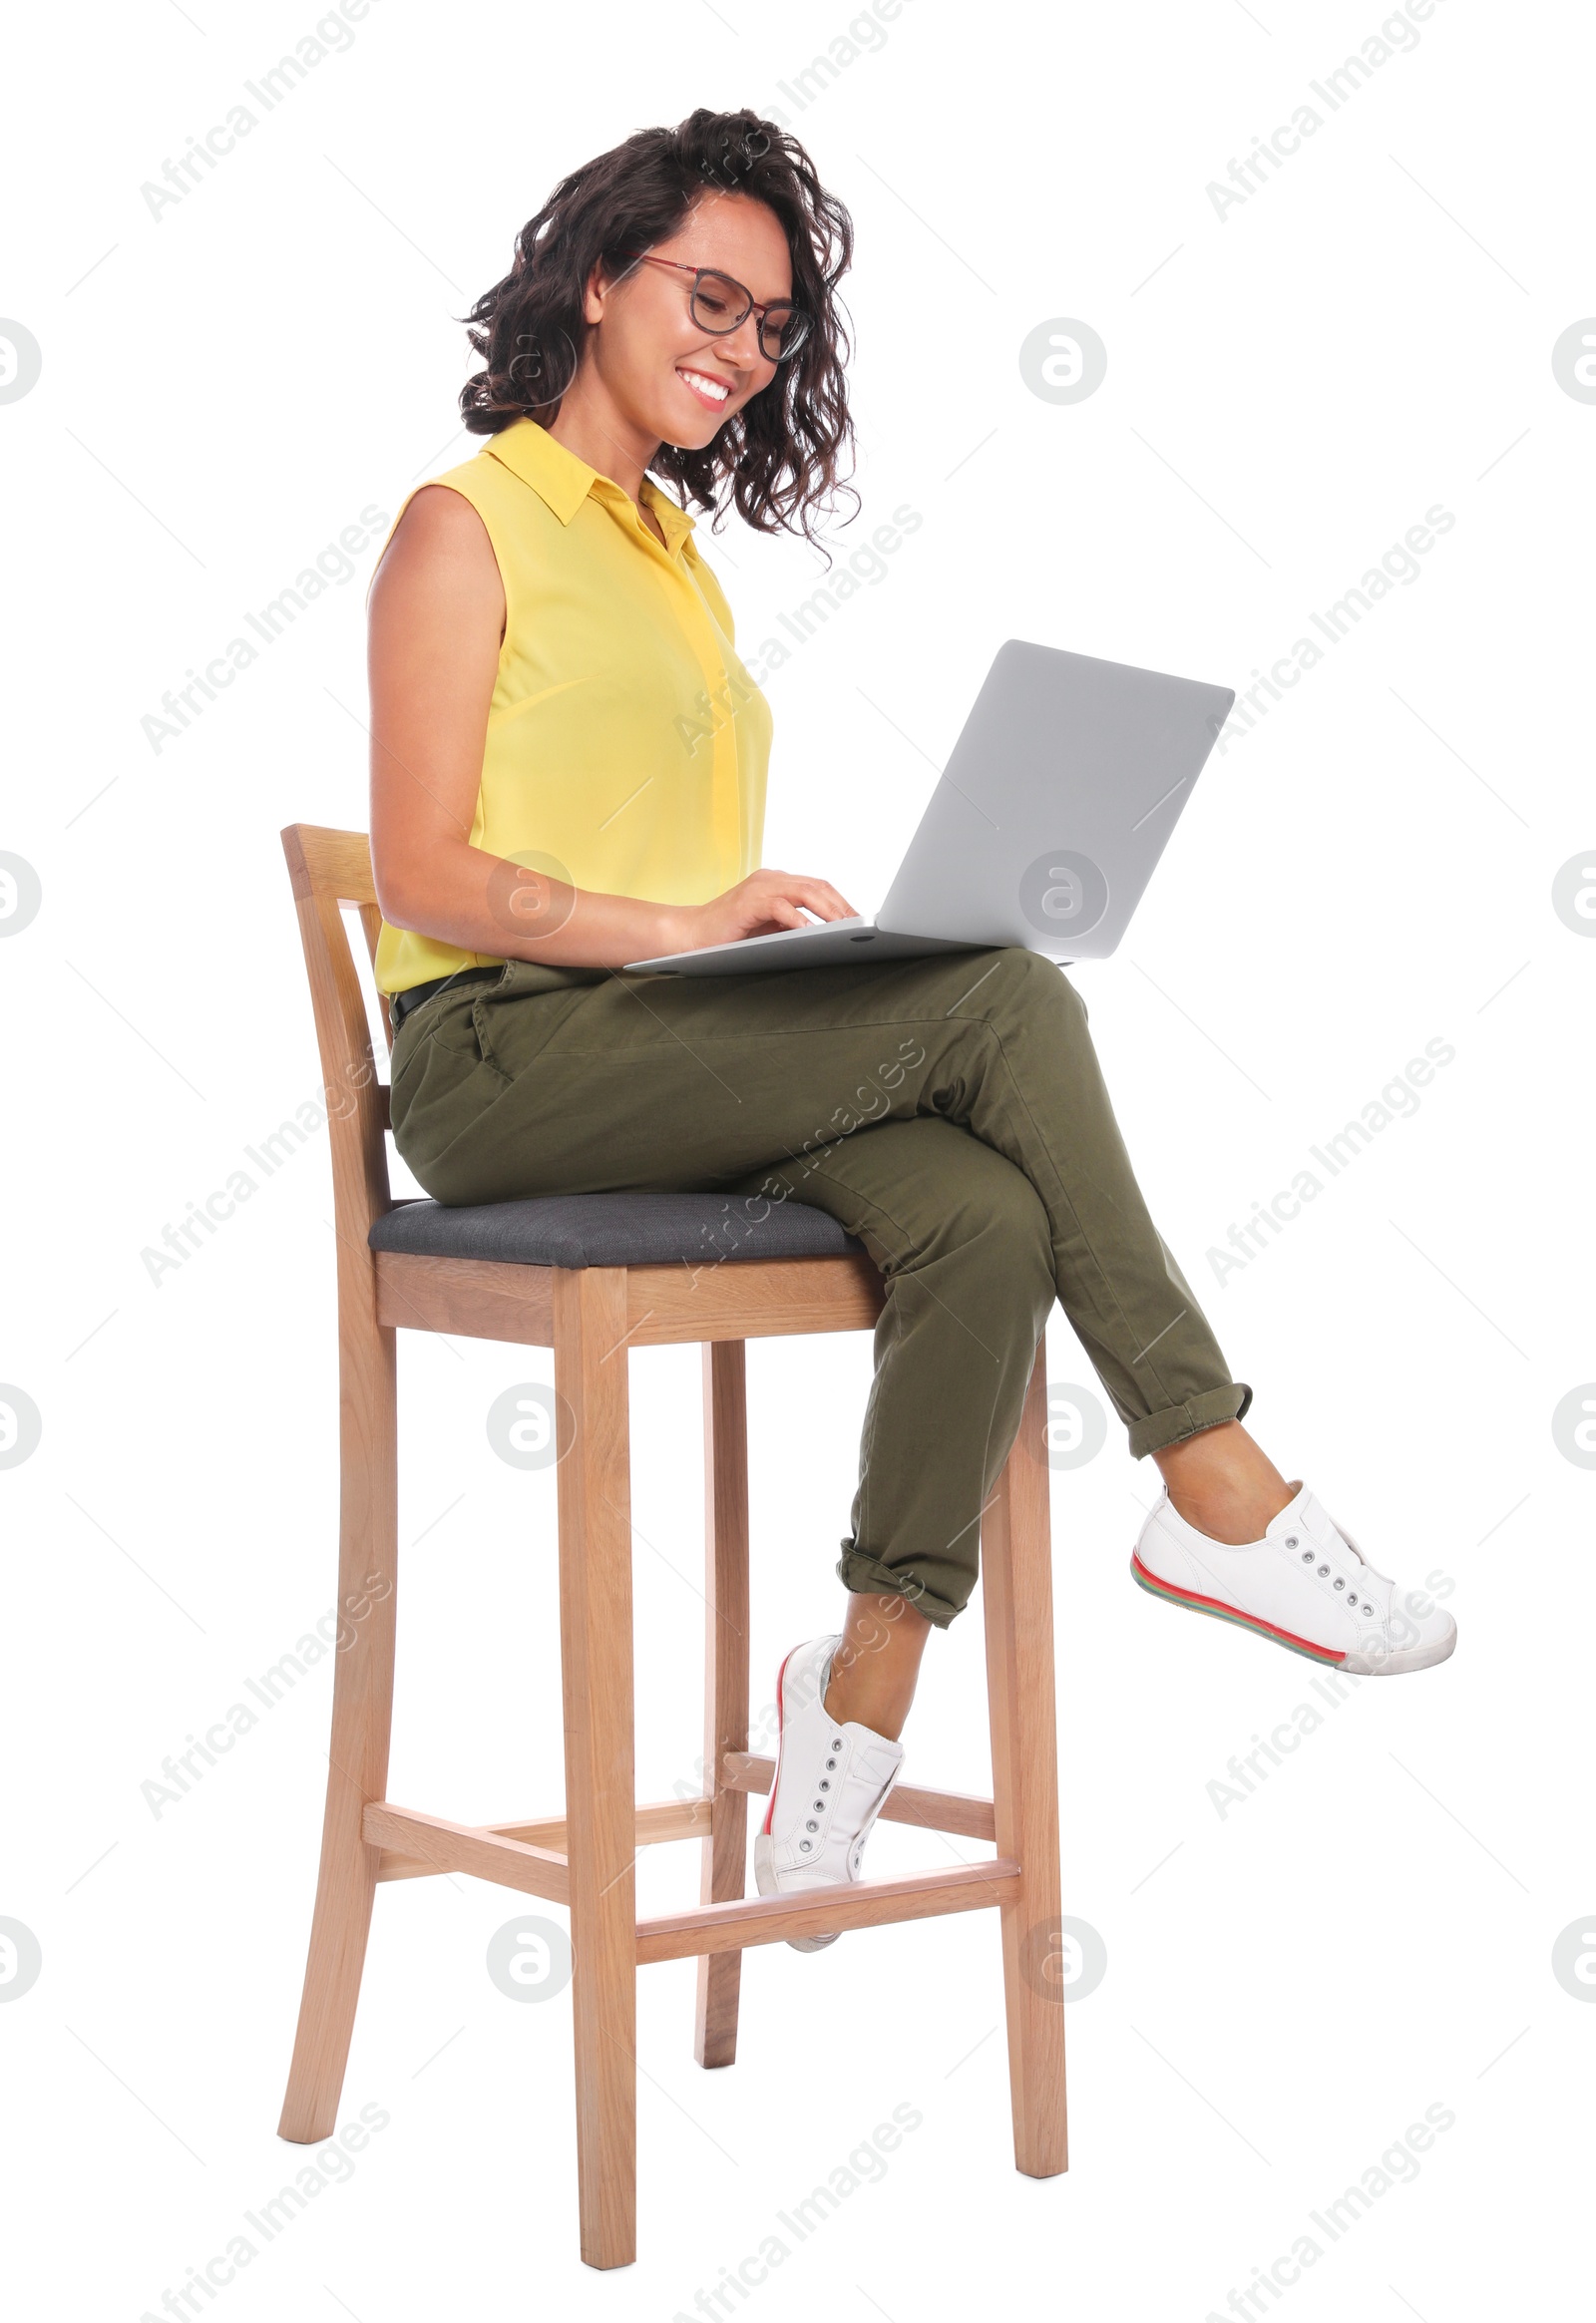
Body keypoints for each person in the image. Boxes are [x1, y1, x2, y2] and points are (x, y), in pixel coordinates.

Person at [366, 106, 1455, 1953]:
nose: (741, 344)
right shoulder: (461, 526)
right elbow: (425, 866)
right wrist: (681, 925)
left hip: (659, 1052)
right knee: (1003, 994)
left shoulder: (670, 560)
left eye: (774, 323)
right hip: (500, 1069)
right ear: (600, 278)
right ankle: (1215, 1476)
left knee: (988, 1214)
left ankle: (852, 1694)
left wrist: (753, 939)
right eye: (712, 295)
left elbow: (629, 838)